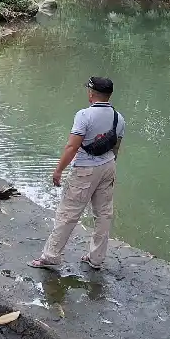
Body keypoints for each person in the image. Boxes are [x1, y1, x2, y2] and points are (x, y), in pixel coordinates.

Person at [30, 77, 124, 271]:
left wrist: (58, 170)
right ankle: (96, 258)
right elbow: (116, 148)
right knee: (104, 214)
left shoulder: (84, 115)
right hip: (108, 167)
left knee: (68, 213)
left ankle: (51, 256)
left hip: (84, 170)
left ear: (91, 93)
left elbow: (72, 146)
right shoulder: (119, 118)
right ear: (110, 95)